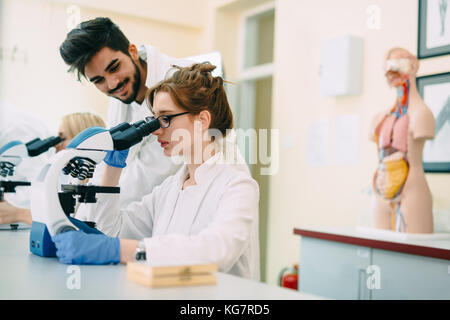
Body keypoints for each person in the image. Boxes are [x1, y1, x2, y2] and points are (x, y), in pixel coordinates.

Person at [52, 63, 260, 280]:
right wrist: (112, 170)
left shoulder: (237, 185)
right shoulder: (170, 188)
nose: (157, 131)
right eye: (155, 120)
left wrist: (121, 250)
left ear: (202, 120)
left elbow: (216, 252)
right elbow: (112, 232)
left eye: (166, 118)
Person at [60, 17, 194, 208]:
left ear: (132, 51)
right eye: (99, 80)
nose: (112, 83)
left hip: (189, 208)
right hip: (149, 208)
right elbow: (109, 159)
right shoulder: (122, 96)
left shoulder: (180, 82)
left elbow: (150, 176)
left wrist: (93, 202)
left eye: (114, 68)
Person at [369, 47, 435, 233]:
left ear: (413, 66)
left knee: (412, 254)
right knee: (378, 249)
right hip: (380, 189)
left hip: (411, 190)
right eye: (387, 66)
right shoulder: (380, 117)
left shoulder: (422, 114)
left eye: (397, 64)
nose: (391, 72)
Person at [0, 112, 106, 227]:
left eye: (62, 138)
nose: (56, 145)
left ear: (81, 139)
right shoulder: (69, 175)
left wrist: (19, 214)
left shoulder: (98, 176)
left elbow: (74, 226)